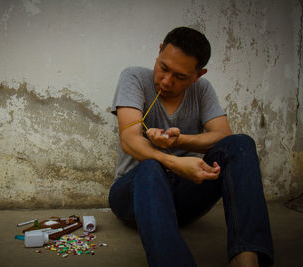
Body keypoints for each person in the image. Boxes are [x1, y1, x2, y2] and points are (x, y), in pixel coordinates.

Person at [109, 27, 274, 267]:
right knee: (151, 166)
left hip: (182, 200)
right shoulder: (134, 78)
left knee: (241, 144)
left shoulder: (202, 90)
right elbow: (130, 139)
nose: (166, 81)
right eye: (163, 68)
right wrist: (175, 163)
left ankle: (246, 259)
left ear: (198, 75)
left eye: (180, 76)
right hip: (133, 193)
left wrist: (180, 140)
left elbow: (223, 136)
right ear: (159, 51)